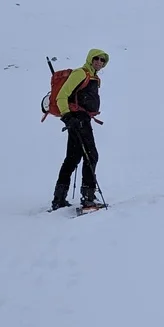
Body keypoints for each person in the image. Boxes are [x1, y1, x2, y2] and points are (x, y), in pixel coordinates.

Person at [53, 48, 109, 209]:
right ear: (90, 59)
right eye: (96, 58)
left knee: (72, 158)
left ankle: (59, 199)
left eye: (102, 60)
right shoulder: (80, 73)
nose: (99, 62)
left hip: (81, 119)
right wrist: (67, 116)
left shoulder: (94, 78)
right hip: (78, 119)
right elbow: (61, 96)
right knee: (91, 156)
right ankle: (88, 198)